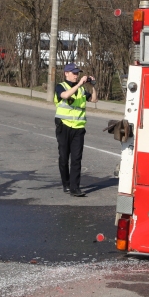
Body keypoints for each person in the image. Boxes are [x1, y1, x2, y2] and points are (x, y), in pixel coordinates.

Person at [54, 63, 97, 197]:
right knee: (63, 158)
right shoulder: (61, 86)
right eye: (74, 73)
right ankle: (66, 184)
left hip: (78, 129)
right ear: (66, 73)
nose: (76, 76)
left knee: (76, 159)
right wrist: (79, 84)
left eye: (77, 73)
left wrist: (92, 86)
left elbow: (94, 100)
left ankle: (75, 188)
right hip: (64, 126)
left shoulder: (82, 90)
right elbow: (65, 96)